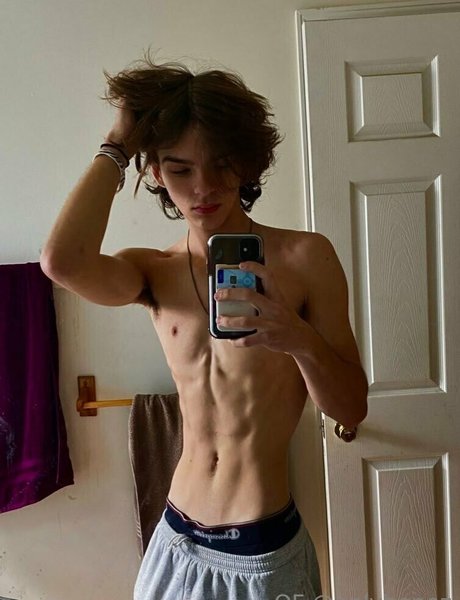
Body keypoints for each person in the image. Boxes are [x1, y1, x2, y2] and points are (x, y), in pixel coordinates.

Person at [40, 55, 368, 600]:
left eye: (221, 165)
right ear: (154, 172)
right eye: (180, 169)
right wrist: (118, 144)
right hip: (174, 541)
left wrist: (298, 339)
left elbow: (351, 410)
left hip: (263, 551)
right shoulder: (152, 272)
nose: (203, 187)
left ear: (246, 163)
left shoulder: (306, 258)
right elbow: (61, 262)